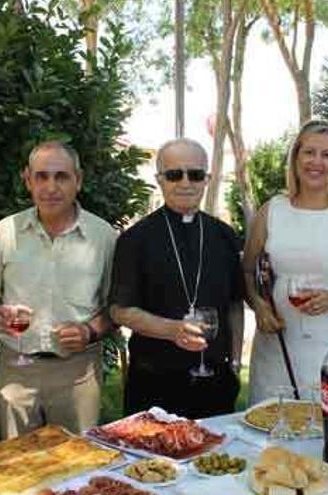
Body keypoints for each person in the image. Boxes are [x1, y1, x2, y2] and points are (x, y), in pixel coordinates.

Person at [0, 141, 116, 439]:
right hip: (16, 370)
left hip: (77, 372)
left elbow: (115, 308)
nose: (51, 186)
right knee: (18, 469)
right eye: (41, 176)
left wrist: (89, 331)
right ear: (28, 180)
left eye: (61, 176)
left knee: (78, 469)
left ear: (78, 180)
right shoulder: (4, 232)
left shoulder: (103, 236)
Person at [243, 121, 328, 405]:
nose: (316, 162)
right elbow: (247, 270)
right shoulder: (271, 210)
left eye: (327, 155)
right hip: (275, 352)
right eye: (309, 152)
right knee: (269, 439)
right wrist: (258, 305)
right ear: (295, 157)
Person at [110, 138, 244, 419]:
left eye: (195, 174)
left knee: (216, 461)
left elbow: (234, 305)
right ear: (160, 180)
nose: (185, 183)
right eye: (174, 175)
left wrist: (234, 361)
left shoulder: (224, 235)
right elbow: (120, 310)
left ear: (207, 179)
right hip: (155, 382)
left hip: (215, 382)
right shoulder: (135, 239)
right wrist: (172, 329)